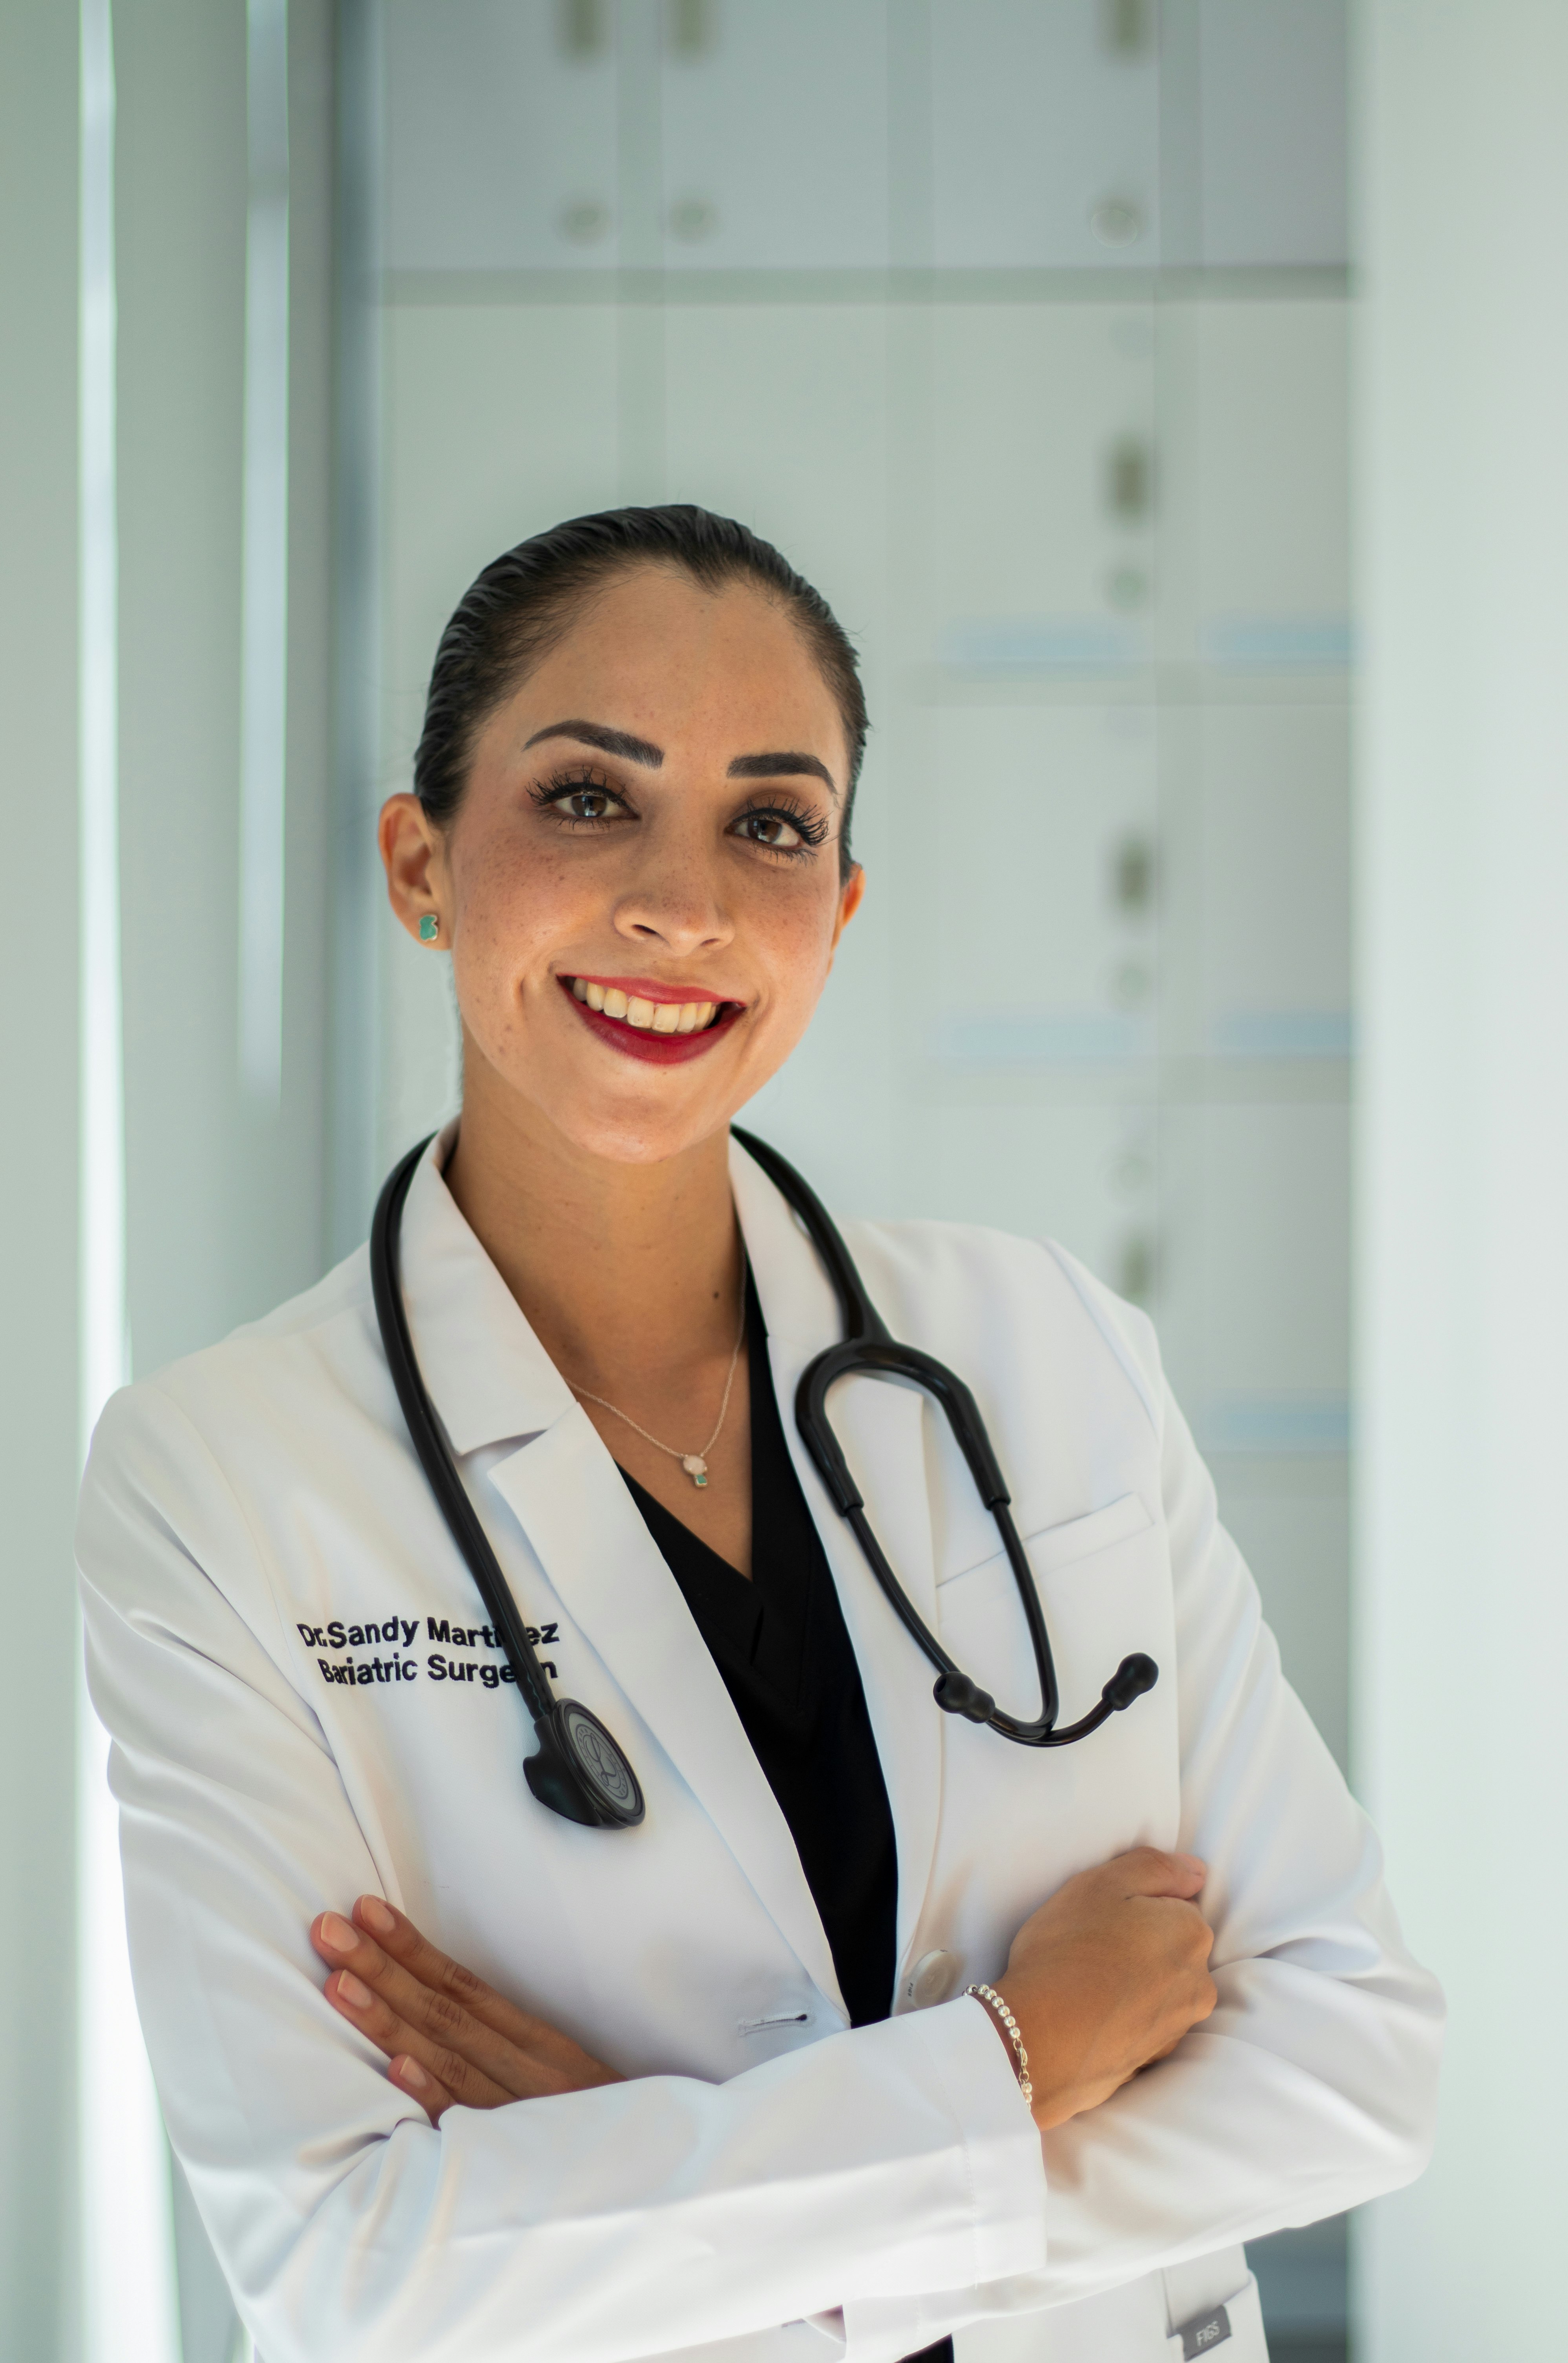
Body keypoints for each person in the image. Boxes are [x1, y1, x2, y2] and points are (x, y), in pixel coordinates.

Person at [77, 506, 1442, 2363]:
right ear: (416, 864)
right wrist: (1020, 2065)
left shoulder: (1045, 1348)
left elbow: (1355, 2053)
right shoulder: (224, 1477)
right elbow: (348, 2266)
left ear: (839, 911)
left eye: (772, 823)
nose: (684, 904)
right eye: (584, 798)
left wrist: (676, 2194)